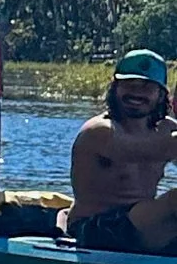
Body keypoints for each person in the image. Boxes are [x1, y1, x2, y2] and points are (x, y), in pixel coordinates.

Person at [69, 50, 177, 252]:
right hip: (93, 227)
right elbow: (151, 150)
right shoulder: (99, 131)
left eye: (146, 87)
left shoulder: (167, 129)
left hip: (143, 225)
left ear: (161, 94)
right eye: (129, 85)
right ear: (115, 88)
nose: (136, 93)